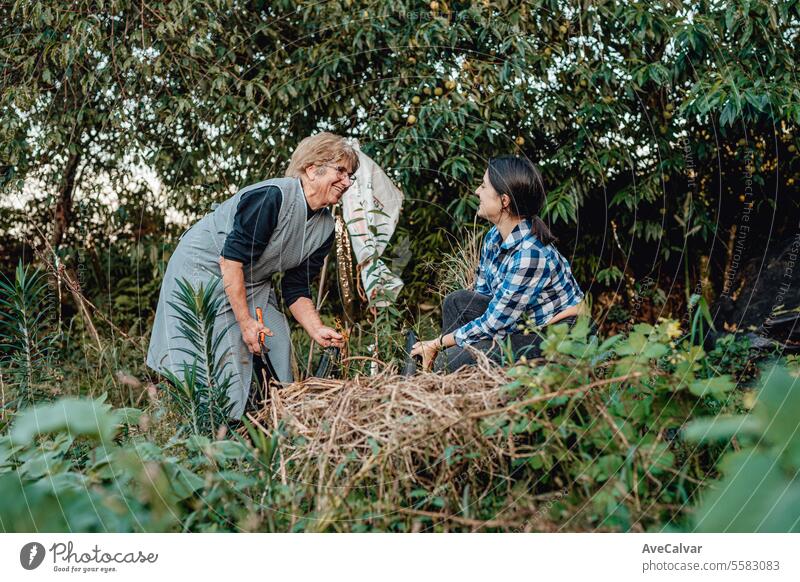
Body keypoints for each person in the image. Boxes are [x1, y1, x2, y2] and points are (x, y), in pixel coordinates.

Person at [147, 132, 357, 419]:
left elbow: (296, 289)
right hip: (203, 271)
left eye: (350, 175)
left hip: (251, 280)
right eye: (341, 171)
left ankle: (274, 421)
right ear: (311, 169)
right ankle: (212, 426)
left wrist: (316, 329)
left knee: (277, 341)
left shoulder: (325, 228)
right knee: (215, 353)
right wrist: (245, 323)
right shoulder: (271, 197)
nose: (346, 182)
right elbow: (231, 259)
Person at [411, 156, 585, 371]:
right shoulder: (494, 237)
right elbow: (483, 299)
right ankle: (449, 365)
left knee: (453, 361)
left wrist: (438, 343)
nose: (477, 191)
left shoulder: (530, 255)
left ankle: (448, 367)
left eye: (484, 186)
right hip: (521, 322)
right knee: (456, 302)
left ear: (504, 201)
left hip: (559, 335)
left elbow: (493, 324)